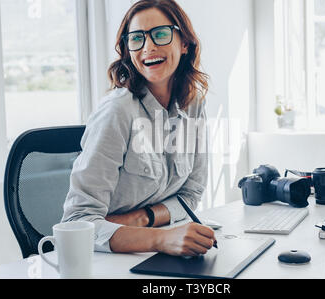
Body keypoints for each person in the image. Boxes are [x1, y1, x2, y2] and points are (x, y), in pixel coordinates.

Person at [61, 0, 215, 257]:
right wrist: (161, 239)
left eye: (161, 34)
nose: (149, 47)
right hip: (104, 262)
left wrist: (142, 219)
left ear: (184, 43)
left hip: (146, 253)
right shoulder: (117, 111)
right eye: (137, 38)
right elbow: (77, 222)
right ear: (128, 50)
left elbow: (190, 195)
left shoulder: (193, 104)